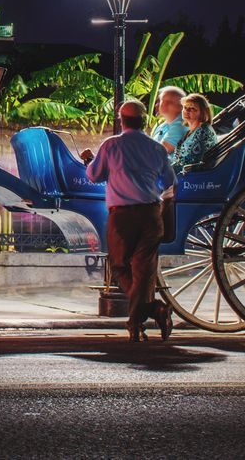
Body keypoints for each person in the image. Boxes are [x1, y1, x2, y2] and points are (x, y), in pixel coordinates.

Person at [80, 100, 177, 342]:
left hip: (121, 216)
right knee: (143, 270)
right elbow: (169, 180)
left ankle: (138, 320)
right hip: (151, 214)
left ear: (121, 120)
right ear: (144, 121)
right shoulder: (156, 149)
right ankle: (151, 310)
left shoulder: (111, 145)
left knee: (120, 264)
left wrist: (89, 160)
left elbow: (93, 175)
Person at [173, 93, 218, 171]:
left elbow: (194, 160)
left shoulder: (203, 130)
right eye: (185, 107)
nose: (187, 111)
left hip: (194, 178)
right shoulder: (189, 132)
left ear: (202, 112)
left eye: (192, 108)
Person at [151, 85, 186, 154]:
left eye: (169, 102)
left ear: (181, 106)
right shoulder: (162, 126)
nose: (164, 104)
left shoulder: (181, 125)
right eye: (162, 100)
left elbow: (158, 153)